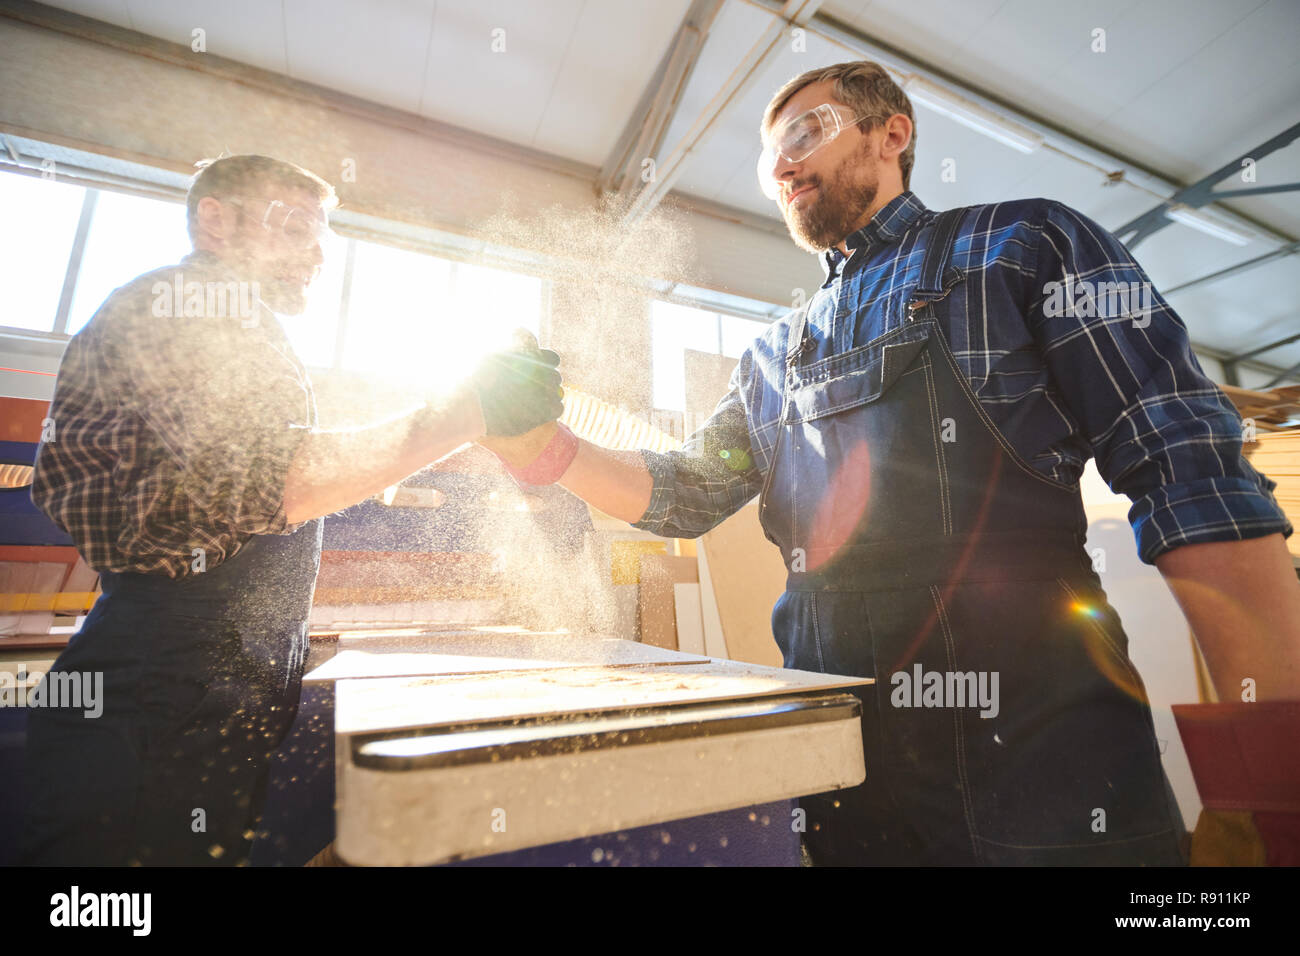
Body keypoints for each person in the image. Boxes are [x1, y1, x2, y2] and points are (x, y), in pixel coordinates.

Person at [479, 61, 1300, 865]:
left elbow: (1189, 470)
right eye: (769, 158)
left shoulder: (1020, 247)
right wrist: (543, 447)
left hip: (1048, 769)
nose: (783, 164)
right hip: (847, 778)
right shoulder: (770, 356)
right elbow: (683, 495)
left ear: (891, 134)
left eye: (806, 131)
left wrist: (1266, 784)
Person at [21, 154, 562, 865]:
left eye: (322, 235)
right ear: (215, 219)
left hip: (197, 686)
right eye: (298, 226)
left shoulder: (236, 327)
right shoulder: (181, 305)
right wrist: (468, 411)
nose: (316, 252)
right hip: (158, 693)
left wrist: (459, 418)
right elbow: (267, 482)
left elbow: (263, 479)